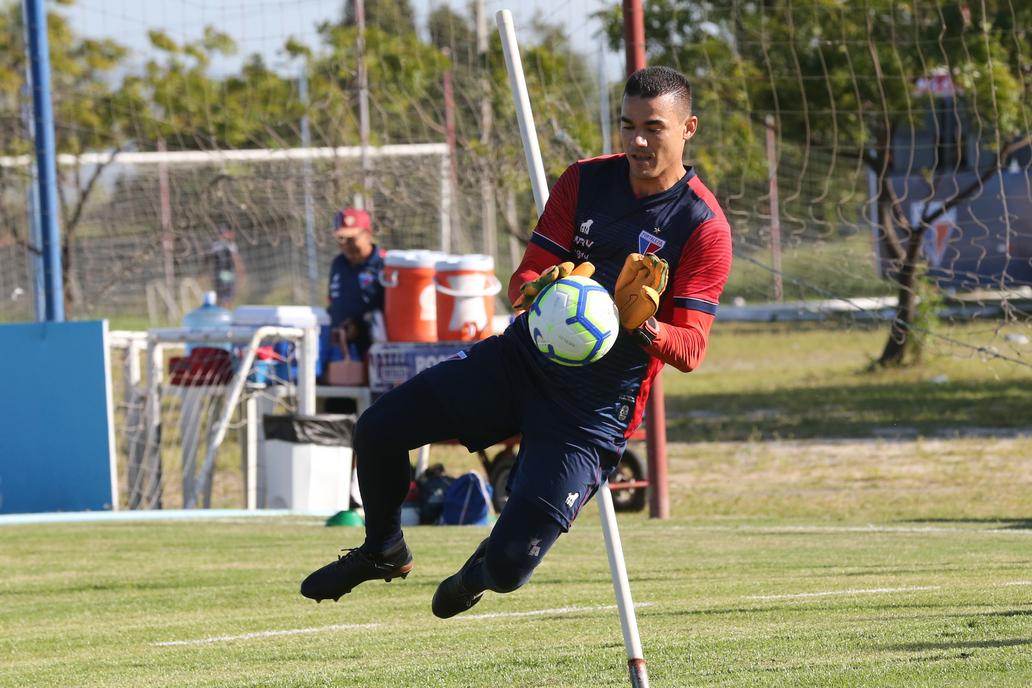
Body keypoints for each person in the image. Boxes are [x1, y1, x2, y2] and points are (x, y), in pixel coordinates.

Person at [301, 66, 733, 619]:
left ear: (688, 128)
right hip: (519, 361)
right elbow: (523, 280)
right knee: (378, 429)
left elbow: (692, 350)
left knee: (510, 569)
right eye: (627, 126)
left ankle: (481, 570)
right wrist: (541, 287)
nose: (638, 141)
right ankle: (382, 548)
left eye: (654, 128)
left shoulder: (703, 226)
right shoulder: (584, 181)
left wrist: (641, 323)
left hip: (592, 411)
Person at [326, 207, 385, 361]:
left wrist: (359, 326)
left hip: (375, 352)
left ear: (368, 234)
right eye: (341, 239)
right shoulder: (338, 264)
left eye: (352, 239)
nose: (346, 245)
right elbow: (333, 301)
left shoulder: (384, 264)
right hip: (341, 351)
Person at [211, 224, 245, 308]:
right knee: (227, 296)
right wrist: (241, 271)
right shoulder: (230, 245)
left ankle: (220, 312)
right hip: (228, 273)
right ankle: (224, 313)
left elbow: (208, 260)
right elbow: (235, 259)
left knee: (221, 296)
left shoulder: (215, 245)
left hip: (219, 273)